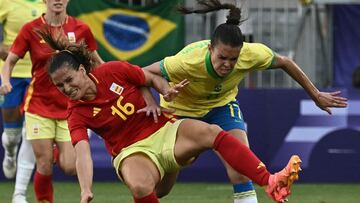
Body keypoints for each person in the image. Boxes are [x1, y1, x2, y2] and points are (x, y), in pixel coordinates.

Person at [37, 28, 301, 203]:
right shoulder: (75, 113)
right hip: (131, 152)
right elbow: (82, 152)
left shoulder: (113, 71)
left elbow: (148, 77)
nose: (67, 89)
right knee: (144, 187)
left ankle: (271, 182)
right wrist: (85, 189)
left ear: (83, 71)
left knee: (212, 133)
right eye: (60, 86)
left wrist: (166, 90)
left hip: (164, 130)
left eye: (69, 80)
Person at [144, 1, 348, 202]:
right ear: (209, 49)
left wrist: (316, 95)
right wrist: (153, 100)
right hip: (180, 111)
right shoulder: (187, 61)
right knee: (162, 189)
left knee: (240, 169)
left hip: (221, 107)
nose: (227, 65)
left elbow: (285, 62)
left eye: (233, 59)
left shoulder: (250, 54)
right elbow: (143, 73)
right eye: (222, 57)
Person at [0, 0, 103, 202]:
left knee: (70, 166)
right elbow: (10, 60)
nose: (58, 0)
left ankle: (53, 150)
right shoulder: (31, 29)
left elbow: (97, 63)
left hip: (70, 107)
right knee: (44, 164)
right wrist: (5, 81)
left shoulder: (81, 28)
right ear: (44, 1)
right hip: (39, 106)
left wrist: (113, 83)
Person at [0, 0, 45, 202]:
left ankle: (19, 193)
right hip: (12, 73)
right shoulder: (6, 2)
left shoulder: (49, 3)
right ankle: (9, 152)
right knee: (12, 135)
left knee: (30, 129)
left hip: (39, 74)